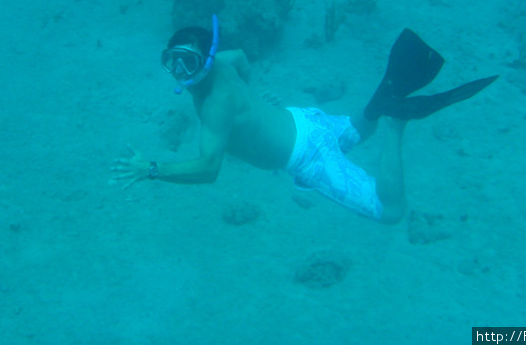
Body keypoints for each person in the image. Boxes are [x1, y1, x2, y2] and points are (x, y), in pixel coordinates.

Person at [112, 16, 497, 224]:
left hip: (307, 156)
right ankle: (382, 103)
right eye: (172, 60)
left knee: (391, 211)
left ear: (206, 60)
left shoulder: (214, 107)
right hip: (306, 121)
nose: (180, 71)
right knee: (360, 129)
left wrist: (152, 169)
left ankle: (396, 121)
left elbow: (209, 170)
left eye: (189, 62)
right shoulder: (224, 62)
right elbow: (243, 56)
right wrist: (254, 105)